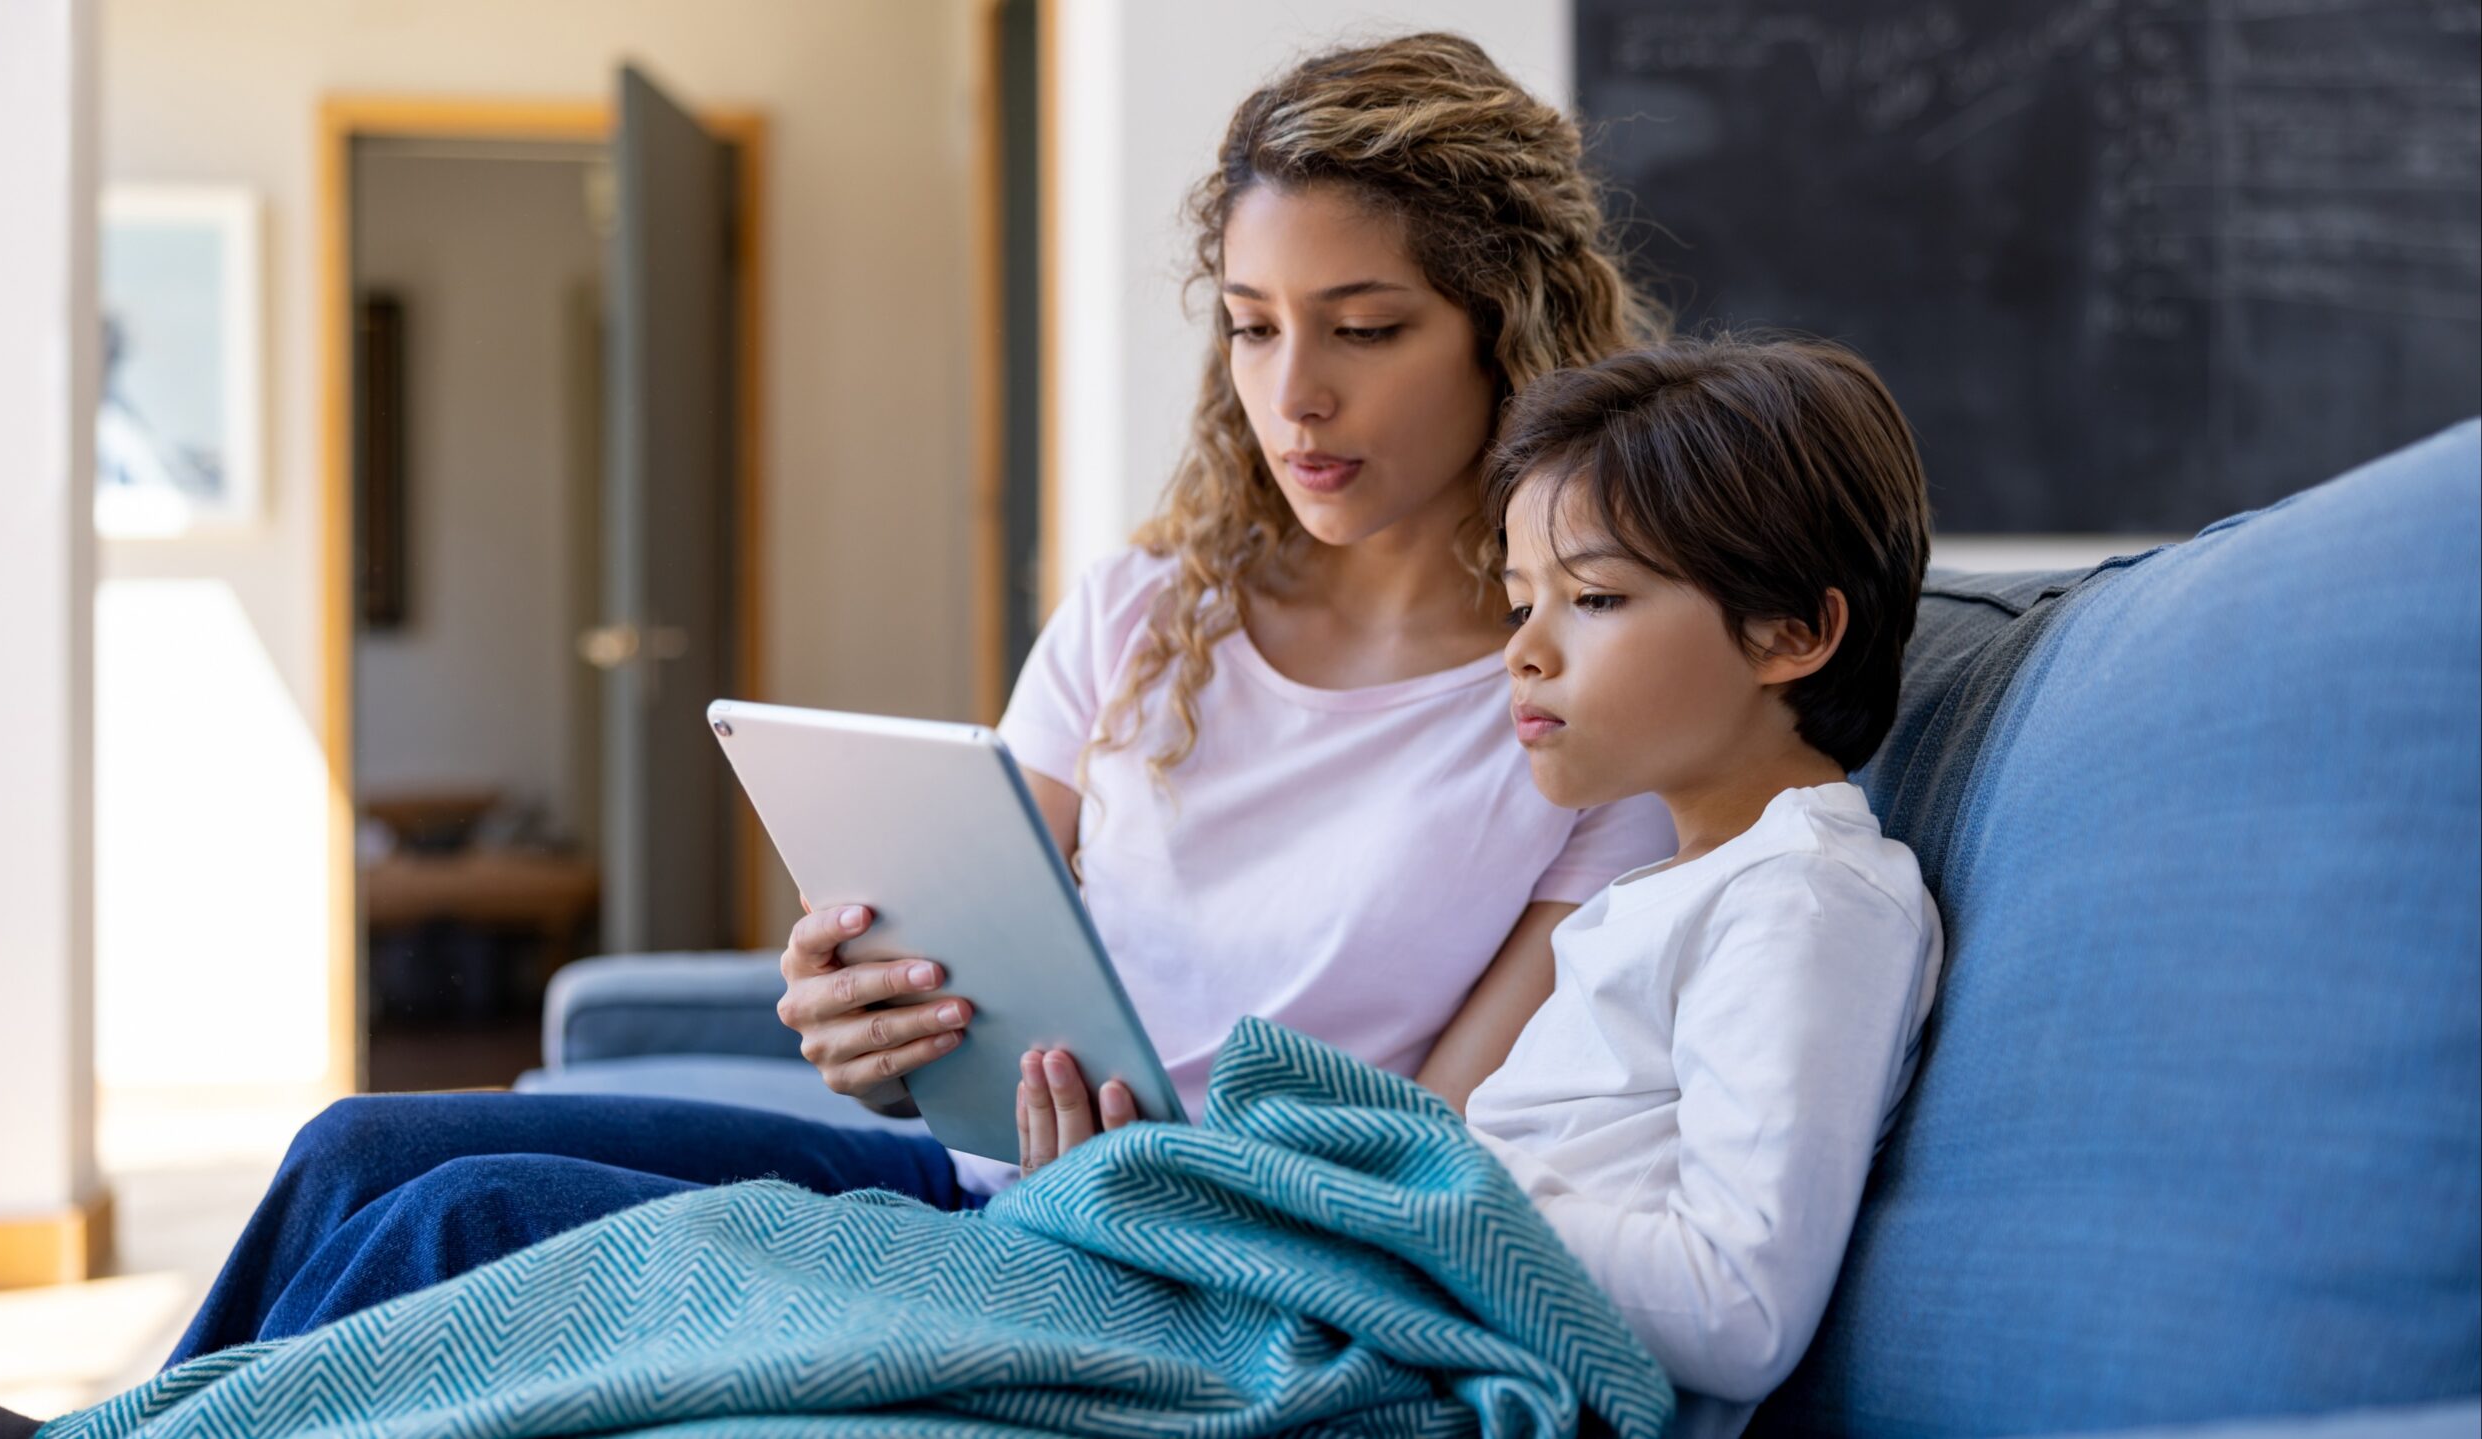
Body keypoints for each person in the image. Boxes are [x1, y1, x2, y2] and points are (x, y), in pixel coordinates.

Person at [165, 31, 1679, 1363]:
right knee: (356, 1146)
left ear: (1508, 328)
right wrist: (864, 1016)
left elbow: (1447, 1156)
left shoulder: (1582, 707)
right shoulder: (1148, 611)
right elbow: (966, 945)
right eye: (1252, 320)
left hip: (1172, 1259)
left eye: (1365, 327)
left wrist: (1180, 1173)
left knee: (466, 1216)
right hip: (981, 1183)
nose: (1294, 396)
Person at [1465, 336, 1945, 1434]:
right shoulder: (1676, 885)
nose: (1523, 652)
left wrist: (1434, 1188)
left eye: (1590, 598)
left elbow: (1738, 1307)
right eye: (1515, 602)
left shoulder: (1804, 896)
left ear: (1792, 631)